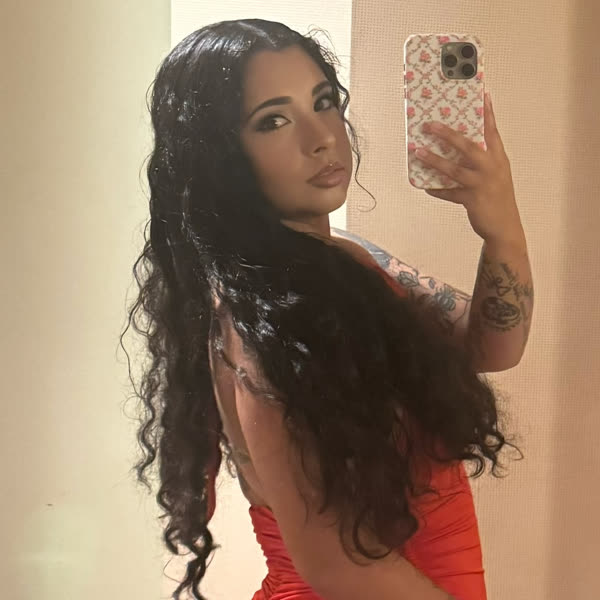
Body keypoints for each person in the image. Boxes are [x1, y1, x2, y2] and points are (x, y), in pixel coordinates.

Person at [121, 18, 533, 600]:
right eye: (274, 120)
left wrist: (502, 229)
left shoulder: (347, 261)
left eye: (322, 102)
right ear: (219, 157)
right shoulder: (261, 326)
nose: (321, 138)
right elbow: (340, 568)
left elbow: (491, 344)